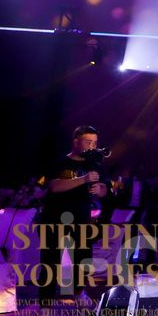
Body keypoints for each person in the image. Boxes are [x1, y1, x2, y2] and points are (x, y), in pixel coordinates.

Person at [35, 126, 109, 304]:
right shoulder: (59, 162)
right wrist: (83, 179)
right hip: (54, 220)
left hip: (81, 220)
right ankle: (45, 305)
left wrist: (100, 188)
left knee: (83, 261)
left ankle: (79, 292)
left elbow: (105, 190)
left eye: (95, 143)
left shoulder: (95, 165)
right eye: (88, 142)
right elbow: (54, 186)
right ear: (76, 142)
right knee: (50, 263)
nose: (93, 146)